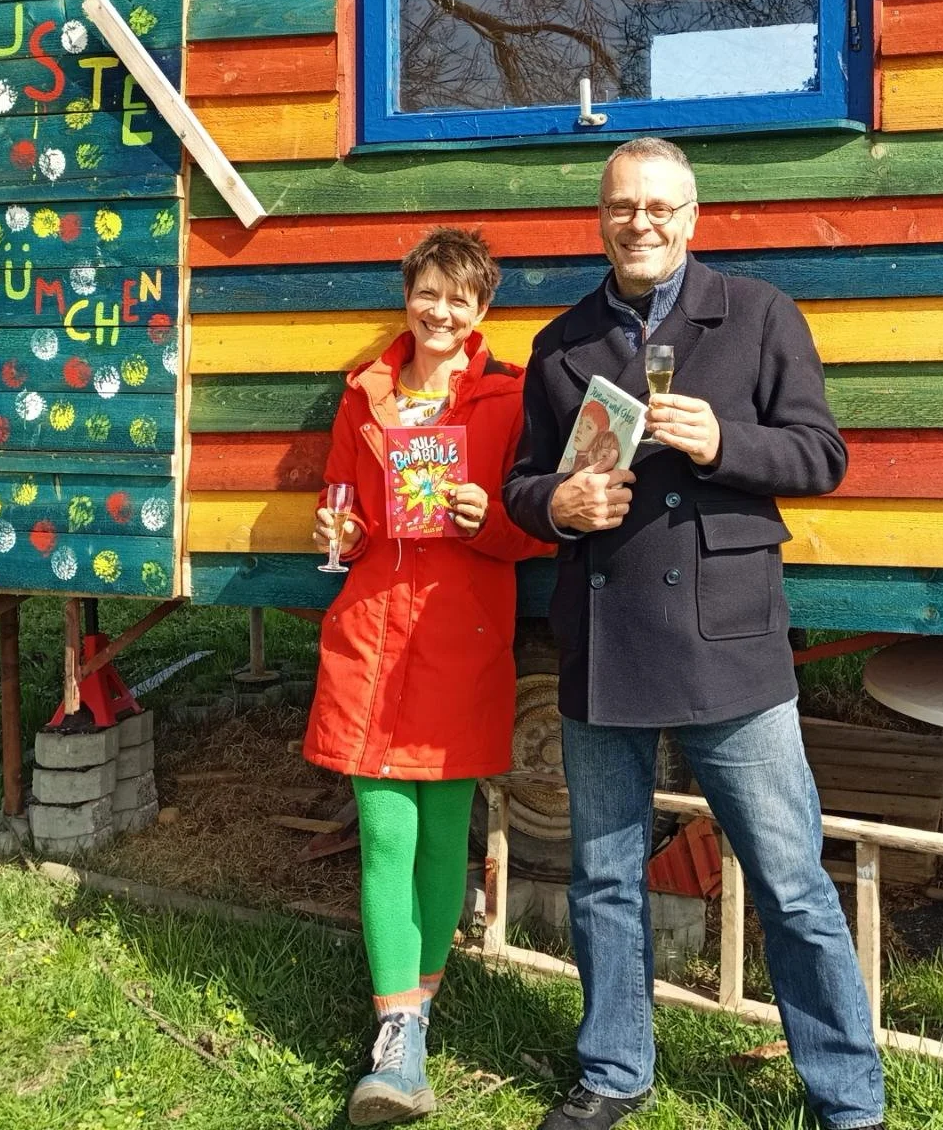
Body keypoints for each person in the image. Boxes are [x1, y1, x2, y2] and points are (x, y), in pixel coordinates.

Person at [503, 139, 886, 1130]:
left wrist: (725, 444)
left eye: (658, 207)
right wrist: (559, 504)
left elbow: (822, 455)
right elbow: (519, 485)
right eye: (622, 206)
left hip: (729, 641)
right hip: (604, 633)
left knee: (791, 881)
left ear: (691, 215)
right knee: (601, 878)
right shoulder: (558, 343)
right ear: (600, 217)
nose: (640, 223)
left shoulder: (758, 314)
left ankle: (847, 1099)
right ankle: (613, 1070)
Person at [302, 226, 555, 1125]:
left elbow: (538, 525)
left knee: (445, 830)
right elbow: (340, 501)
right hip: (372, 628)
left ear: (482, 309)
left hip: (462, 628)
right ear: (406, 298)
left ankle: (424, 998)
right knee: (383, 834)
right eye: (427, 293)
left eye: (460, 298)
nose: (440, 311)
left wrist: (492, 516)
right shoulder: (364, 394)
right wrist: (340, 533)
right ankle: (396, 1030)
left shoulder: (511, 398)